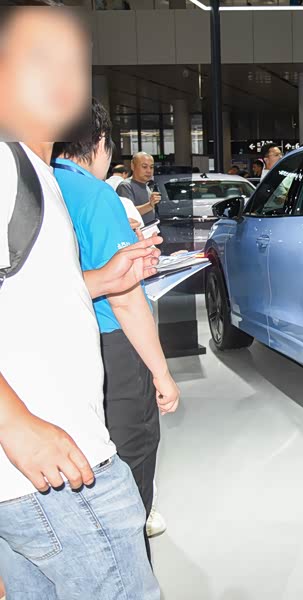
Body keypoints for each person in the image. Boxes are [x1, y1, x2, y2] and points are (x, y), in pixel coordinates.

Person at [0, 7, 161, 597]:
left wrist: (100, 280)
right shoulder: (5, 167)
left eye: (74, 62)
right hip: (62, 472)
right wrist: (15, 425)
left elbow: (24, 300)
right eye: (39, 58)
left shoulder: (37, 172)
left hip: (35, 479)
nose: (63, 77)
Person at [52, 99, 180, 558]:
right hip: (114, 347)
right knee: (133, 454)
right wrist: (162, 374)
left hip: (60, 343)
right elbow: (124, 297)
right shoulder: (96, 194)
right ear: (101, 141)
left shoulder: (43, 183)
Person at [117, 151, 160, 224]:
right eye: (144, 167)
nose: (149, 171)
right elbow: (128, 214)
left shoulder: (147, 186)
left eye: (151, 167)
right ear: (133, 166)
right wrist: (149, 205)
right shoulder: (125, 186)